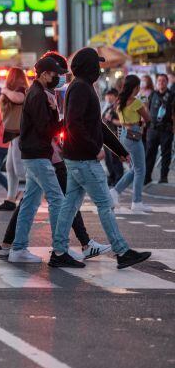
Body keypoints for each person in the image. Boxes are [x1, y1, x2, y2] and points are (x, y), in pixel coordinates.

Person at [51, 48, 151, 270]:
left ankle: (59, 251)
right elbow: (74, 124)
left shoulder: (83, 87)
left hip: (77, 157)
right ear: (89, 66)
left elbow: (98, 126)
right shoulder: (81, 88)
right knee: (105, 204)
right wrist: (94, 148)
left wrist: (120, 150)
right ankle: (122, 251)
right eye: (97, 65)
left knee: (70, 205)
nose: (99, 69)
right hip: (84, 159)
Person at [4, 56, 67, 264]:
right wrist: (61, 120)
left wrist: (53, 111)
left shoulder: (36, 93)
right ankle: (60, 250)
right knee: (57, 200)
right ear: (44, 74)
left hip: (33, 154)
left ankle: (18, 248)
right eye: (54, 75)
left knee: (30, 202)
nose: (57, 78)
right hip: (38, 154)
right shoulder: (38, 95)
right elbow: (45, 129)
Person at [111, 74, 151, 213]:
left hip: (123, 135)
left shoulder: (120, 101)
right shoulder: (136, 102)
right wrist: (145, 105)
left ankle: (115, 192)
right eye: (139, 86)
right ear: (135, 87)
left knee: (134, 169)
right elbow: (148, 118)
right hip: (134, 136)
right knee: (140, 169)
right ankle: (137, 202)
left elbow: (122, 120)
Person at [0, 68, 29, 211]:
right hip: (14, 132)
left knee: (19, 169)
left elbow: (19, 98)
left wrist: (4, 91)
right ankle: (10, 199)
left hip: (18, 132)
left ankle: (30, 193)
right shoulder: (16, 89)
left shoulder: (21, 89)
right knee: (10, 167)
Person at [144, 73, 173, 185]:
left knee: (166, 154)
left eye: (163, 81)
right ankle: (147, 177)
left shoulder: (172, 95)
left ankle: (163, 177)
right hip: (153, 129)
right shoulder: (152, 94)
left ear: (167, 82)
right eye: (159, 80)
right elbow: (146, 108)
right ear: (156, 82)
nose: (161, 82)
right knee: (150, 153)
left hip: (166, 129)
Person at [102, 88, 126, 185]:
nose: (107, 97)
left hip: (115, 136)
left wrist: (111, 119)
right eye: (106, 95)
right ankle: (112, 177)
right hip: (106, 138)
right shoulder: (107, 107)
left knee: (115, 160)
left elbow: (123, 123)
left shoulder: (118, 107)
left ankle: (119, 179)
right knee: (108, 160)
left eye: (110, 95)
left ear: (115, 96)